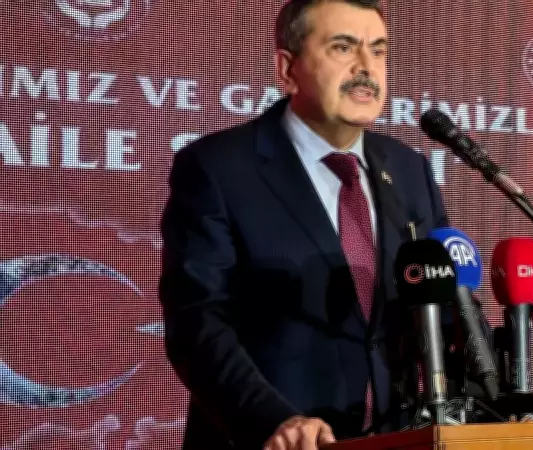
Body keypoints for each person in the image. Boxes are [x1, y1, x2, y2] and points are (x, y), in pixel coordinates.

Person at [159, 1, 491, 449]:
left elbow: (447, 306)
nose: (366, 67)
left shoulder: (409, 170)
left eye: (378, 50)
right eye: (343, 47)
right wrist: (275, 420)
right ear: (287, 69)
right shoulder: (218, 168)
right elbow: (197, 323)